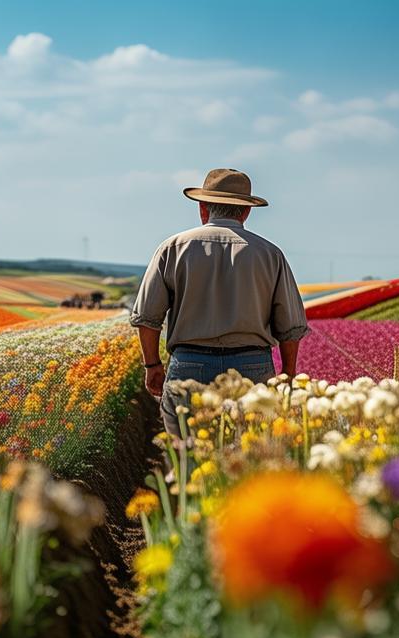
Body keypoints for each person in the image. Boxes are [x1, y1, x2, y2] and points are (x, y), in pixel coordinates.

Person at [129, 168, 310, 437]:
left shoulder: (172, 247)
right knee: (247, 457)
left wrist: (152, 365)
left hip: (189, 364)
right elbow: (291, 327)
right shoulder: (270, 254)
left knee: (186, 455)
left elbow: (147, 317)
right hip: (252, 366)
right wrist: (289, 374)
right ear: (246, 211)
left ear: (203, 208)